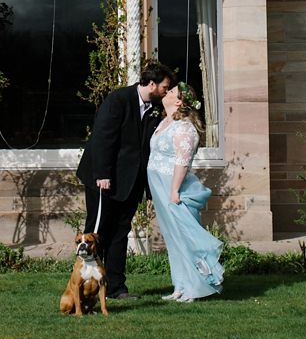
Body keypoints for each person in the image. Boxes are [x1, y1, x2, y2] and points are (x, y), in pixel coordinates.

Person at [77, 61, 177, 301]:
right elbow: (103, 138)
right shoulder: (119, 100)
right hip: (105, 181)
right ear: (151, 83)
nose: (167, 91)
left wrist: (147, 184)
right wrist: (103, 174)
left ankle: (116, 288)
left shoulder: (154, 107)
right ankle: (85, 288)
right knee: (96, 234)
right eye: (165, 86)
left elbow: (146, 149)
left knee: (121, 232)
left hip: (130, 184)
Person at [146, 82, 224, 302]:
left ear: (179, 102)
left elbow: (182, 162)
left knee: (185, 236)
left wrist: (174, 191)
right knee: (173, 238)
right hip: (161, 187)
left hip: (175, 189)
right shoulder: (165, 123)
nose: (167, 92)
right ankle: (180, 284)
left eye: (172, 91)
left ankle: (197, 285)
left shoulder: (185, 128)